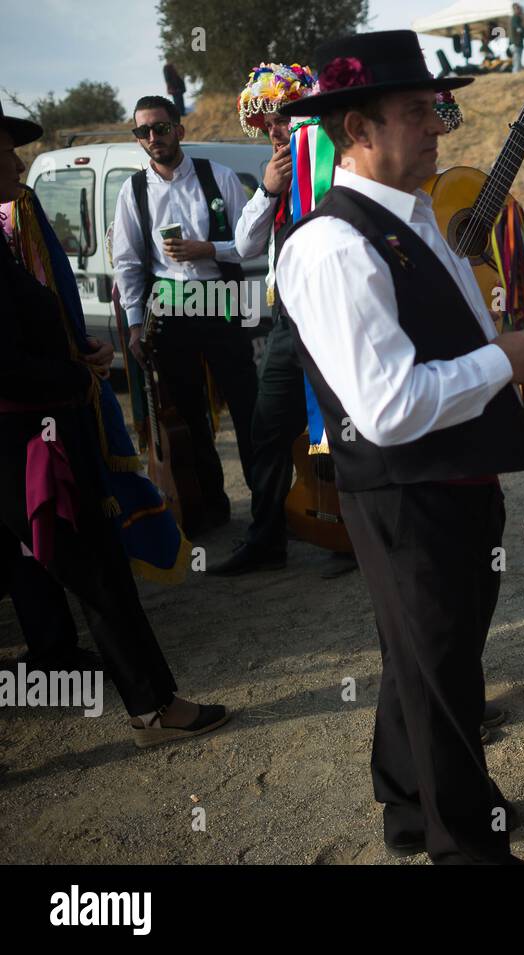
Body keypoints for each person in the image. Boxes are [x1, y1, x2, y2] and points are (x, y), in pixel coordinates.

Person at [276, 30, 524, 863]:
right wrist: (498, 360)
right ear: (356, 128)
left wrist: (507, 363)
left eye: (436, 109)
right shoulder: (331, 246)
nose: (439, 127)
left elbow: (450, 339)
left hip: (452, 479)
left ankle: (406, 803)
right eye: (416, 113)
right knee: (442, 678)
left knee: (426, 659)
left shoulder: (419, 213)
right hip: (407, 490)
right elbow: (390, 405)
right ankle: (465, 845)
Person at [0, 104, 228, 747]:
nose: (17, 165)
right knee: (100, 573)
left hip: (38, 431)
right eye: (3, 153)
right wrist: (77, 376)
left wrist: (81, 356)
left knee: (86, 569)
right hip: (27, 442)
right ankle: (154, 707)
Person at [111, 95, 258, 538]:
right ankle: (211, 507)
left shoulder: (221, 177)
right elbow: (129, 263)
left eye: (160, 128)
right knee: (189, 417)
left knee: (248, 406)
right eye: (143, 132)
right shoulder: (133, 191)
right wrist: (136, 325)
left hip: (221, 297)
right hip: (170, 308)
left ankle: (269, 509)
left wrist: (208, 249)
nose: (153, 137)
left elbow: (252, 243)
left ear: (180, 129)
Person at [210, 63, 331, 577]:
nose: (275, 131)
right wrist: (268, 190)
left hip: (332, 317)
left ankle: (353, 535)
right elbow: (243, 246)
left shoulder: (332, 163)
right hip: (286, 322)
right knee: (266, 429)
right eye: (268, 125)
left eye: (283, 119)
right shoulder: (275, 178)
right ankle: (266, 538)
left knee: (346, 428)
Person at [510, 4, 524, 72]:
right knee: (517, 64)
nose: (520, 10)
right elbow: (519, 29)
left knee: (517, 63)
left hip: (515, 43)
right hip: (516, 44)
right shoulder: (515, 18)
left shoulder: (515, 19)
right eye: (519, 8)